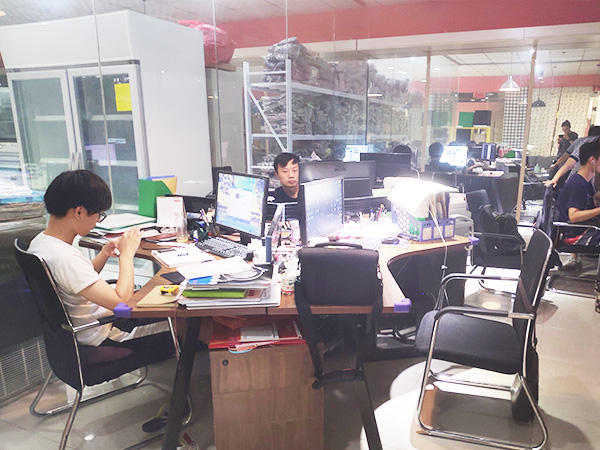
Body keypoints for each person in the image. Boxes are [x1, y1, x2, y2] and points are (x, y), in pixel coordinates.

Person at [28, 170, 171, 347]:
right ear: (79, 212)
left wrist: (103, 254)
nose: (98, 221)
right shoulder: (66, 259)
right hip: (107, 334)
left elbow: (76, 281)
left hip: (92, 326)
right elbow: (123, 304)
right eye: (99, 214)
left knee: (156, 298)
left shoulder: (40, 243)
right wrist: (127, 255)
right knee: (181, 320)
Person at [555, 141, 600, 270]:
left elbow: (593, 199)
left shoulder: (583, 180)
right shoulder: (578, 184)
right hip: (574, 235)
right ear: (592, 160)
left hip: (579, 230)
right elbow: (574, 216)